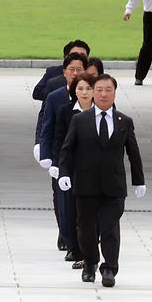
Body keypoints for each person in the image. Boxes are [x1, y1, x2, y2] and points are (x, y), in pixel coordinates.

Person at [58, 74, 145, 288]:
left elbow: (133, 153)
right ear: (93, 93)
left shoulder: (124, 121)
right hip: (86, 185)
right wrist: (64, 173)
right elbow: (67, 149)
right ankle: (90, 263)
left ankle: (109, 268)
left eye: (108, 90)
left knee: (109, 228)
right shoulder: (80, 120)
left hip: (113, 186)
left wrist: (139, 180)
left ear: (114, 93)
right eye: (99, 90)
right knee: (86, 229)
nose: (103, 94)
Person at [37, 51, 88, 250]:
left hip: (87, 161)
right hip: (62, 159)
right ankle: (67, 238)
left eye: (79, 69)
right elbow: (47, 126)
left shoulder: (93, 94)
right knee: (64, 203)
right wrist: (46, 155)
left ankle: (82, 243)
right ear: (64, 72)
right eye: (71, 69)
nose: (75, 73)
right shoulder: (55, 97)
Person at [48, 73, 96, 269]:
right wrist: (57, 164)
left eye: (88, 89)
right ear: (73, 91)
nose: (84, 93)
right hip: (72, 168)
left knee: (91, 213)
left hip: (95, 169)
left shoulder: (103, 111)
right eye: (80, 89)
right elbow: (59, 139)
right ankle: (75, 249)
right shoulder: (66, 111)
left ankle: (89, 252)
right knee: (71, 211)